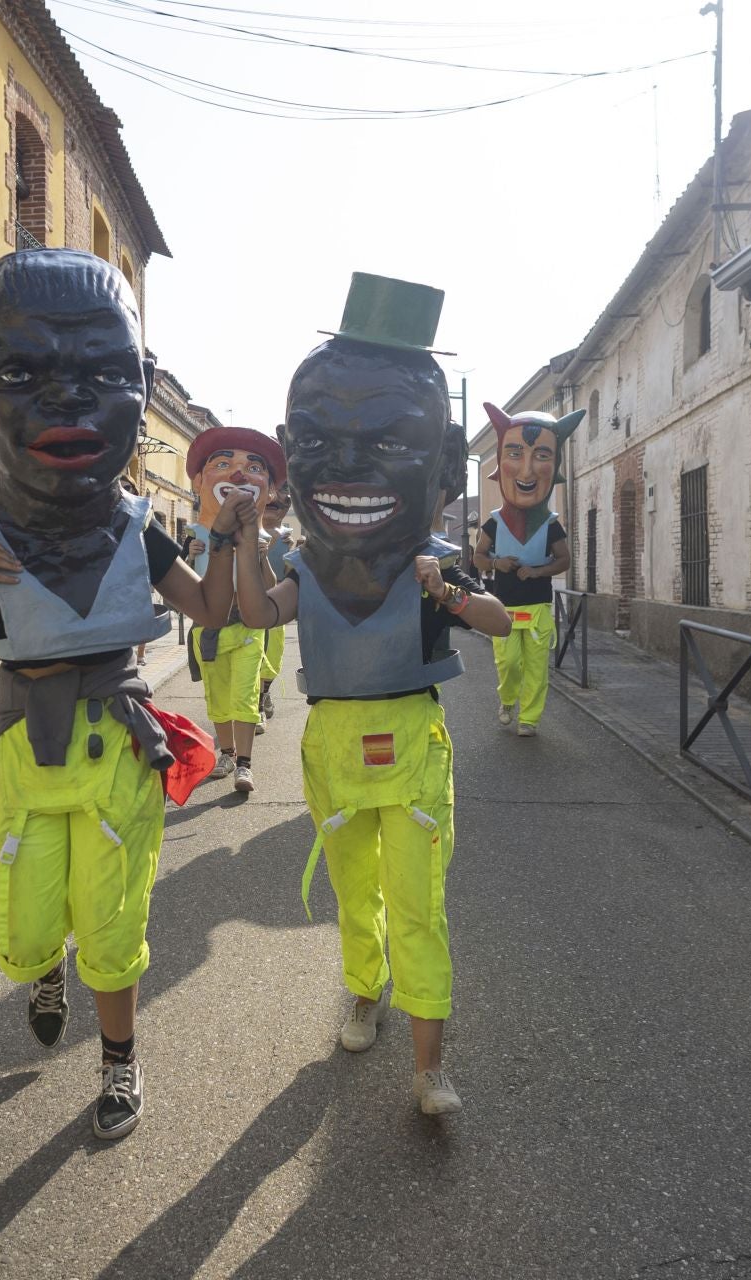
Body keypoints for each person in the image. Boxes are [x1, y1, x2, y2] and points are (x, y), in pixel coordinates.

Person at [208, 273, 512, 1117]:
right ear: (287, 453)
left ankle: (430, 1068)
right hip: (334, 747)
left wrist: (446, 591)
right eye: (317, 439)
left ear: (446, 470)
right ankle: (363, 991)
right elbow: (253, 611)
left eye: (387, 441)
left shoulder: (436, 556)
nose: (345, 466)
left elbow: (499, 623)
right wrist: (242, 543)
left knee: (419, 902)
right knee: (354, 892)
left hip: (414, 743)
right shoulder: (303, 563)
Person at [0, 249, 225, 1141]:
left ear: (140, 389)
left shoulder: (139, 532)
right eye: (23, 373)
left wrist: (237, 535)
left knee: (113, 923)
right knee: (27, 929)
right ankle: (43, 966)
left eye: (102, 374)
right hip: (26, 750)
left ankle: (119, 1065)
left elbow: (214, 611)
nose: (66, 402)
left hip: (116, 749)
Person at [469, 401, 580, 737]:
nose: (528, 471)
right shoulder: (494, 521)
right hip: (505, 607)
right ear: (501, 462)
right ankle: (507, 700)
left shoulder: (550, 524)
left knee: (536, 668)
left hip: (537, 608)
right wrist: (495, 563)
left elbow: (564, 560)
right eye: (515, 453)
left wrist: (538, 572)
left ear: (555, 462)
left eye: (542, 455)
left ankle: (529, 718)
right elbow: (477, 557)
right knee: (509, 664)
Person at [183, 427, 284, 793]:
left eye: (253, 467)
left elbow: (271, 590)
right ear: (197, 481)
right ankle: (226, 753)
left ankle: (244, 764)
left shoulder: (263, 539)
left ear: (269, 489)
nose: (238, 475)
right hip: (208, 632)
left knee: (243, 694)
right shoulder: (194, 537)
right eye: (223, 463)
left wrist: (260, 560)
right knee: (217, 696)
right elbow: (181, 592)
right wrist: (189, 557)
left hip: (247, 630)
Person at [257, 488, 293, 727]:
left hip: (276, 604)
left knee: (273, 654)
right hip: (243, 604)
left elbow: (292, 580)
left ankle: (264, 693)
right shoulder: (245, 531)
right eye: (273, 491)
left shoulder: (289, 538)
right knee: (252, 656)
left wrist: (294, 554)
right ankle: (257, 705)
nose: (277, 499)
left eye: (284, 496)